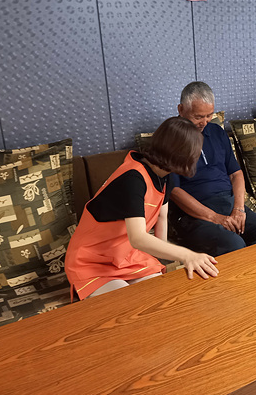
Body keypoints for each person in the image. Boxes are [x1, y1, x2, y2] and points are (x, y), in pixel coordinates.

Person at [65, 117, 219, 300]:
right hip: (91, 261)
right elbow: (137, 238)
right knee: (131, 303)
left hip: (127, 256)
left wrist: (162, 256)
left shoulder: (165, 175)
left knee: (161, 296)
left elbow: (161, 217)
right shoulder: (133, 178)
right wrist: (187, 255)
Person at [169, 81, 256, 256]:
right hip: (193, 216)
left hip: (228, 205)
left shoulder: (216, 131)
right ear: (181, 109)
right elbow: (174, 191)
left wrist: (239, 209)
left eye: (209, 115)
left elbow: (236, 174)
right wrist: (214, 217)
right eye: (198, 117)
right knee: (234, 245)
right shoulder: (169, 139)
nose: (204, 122)